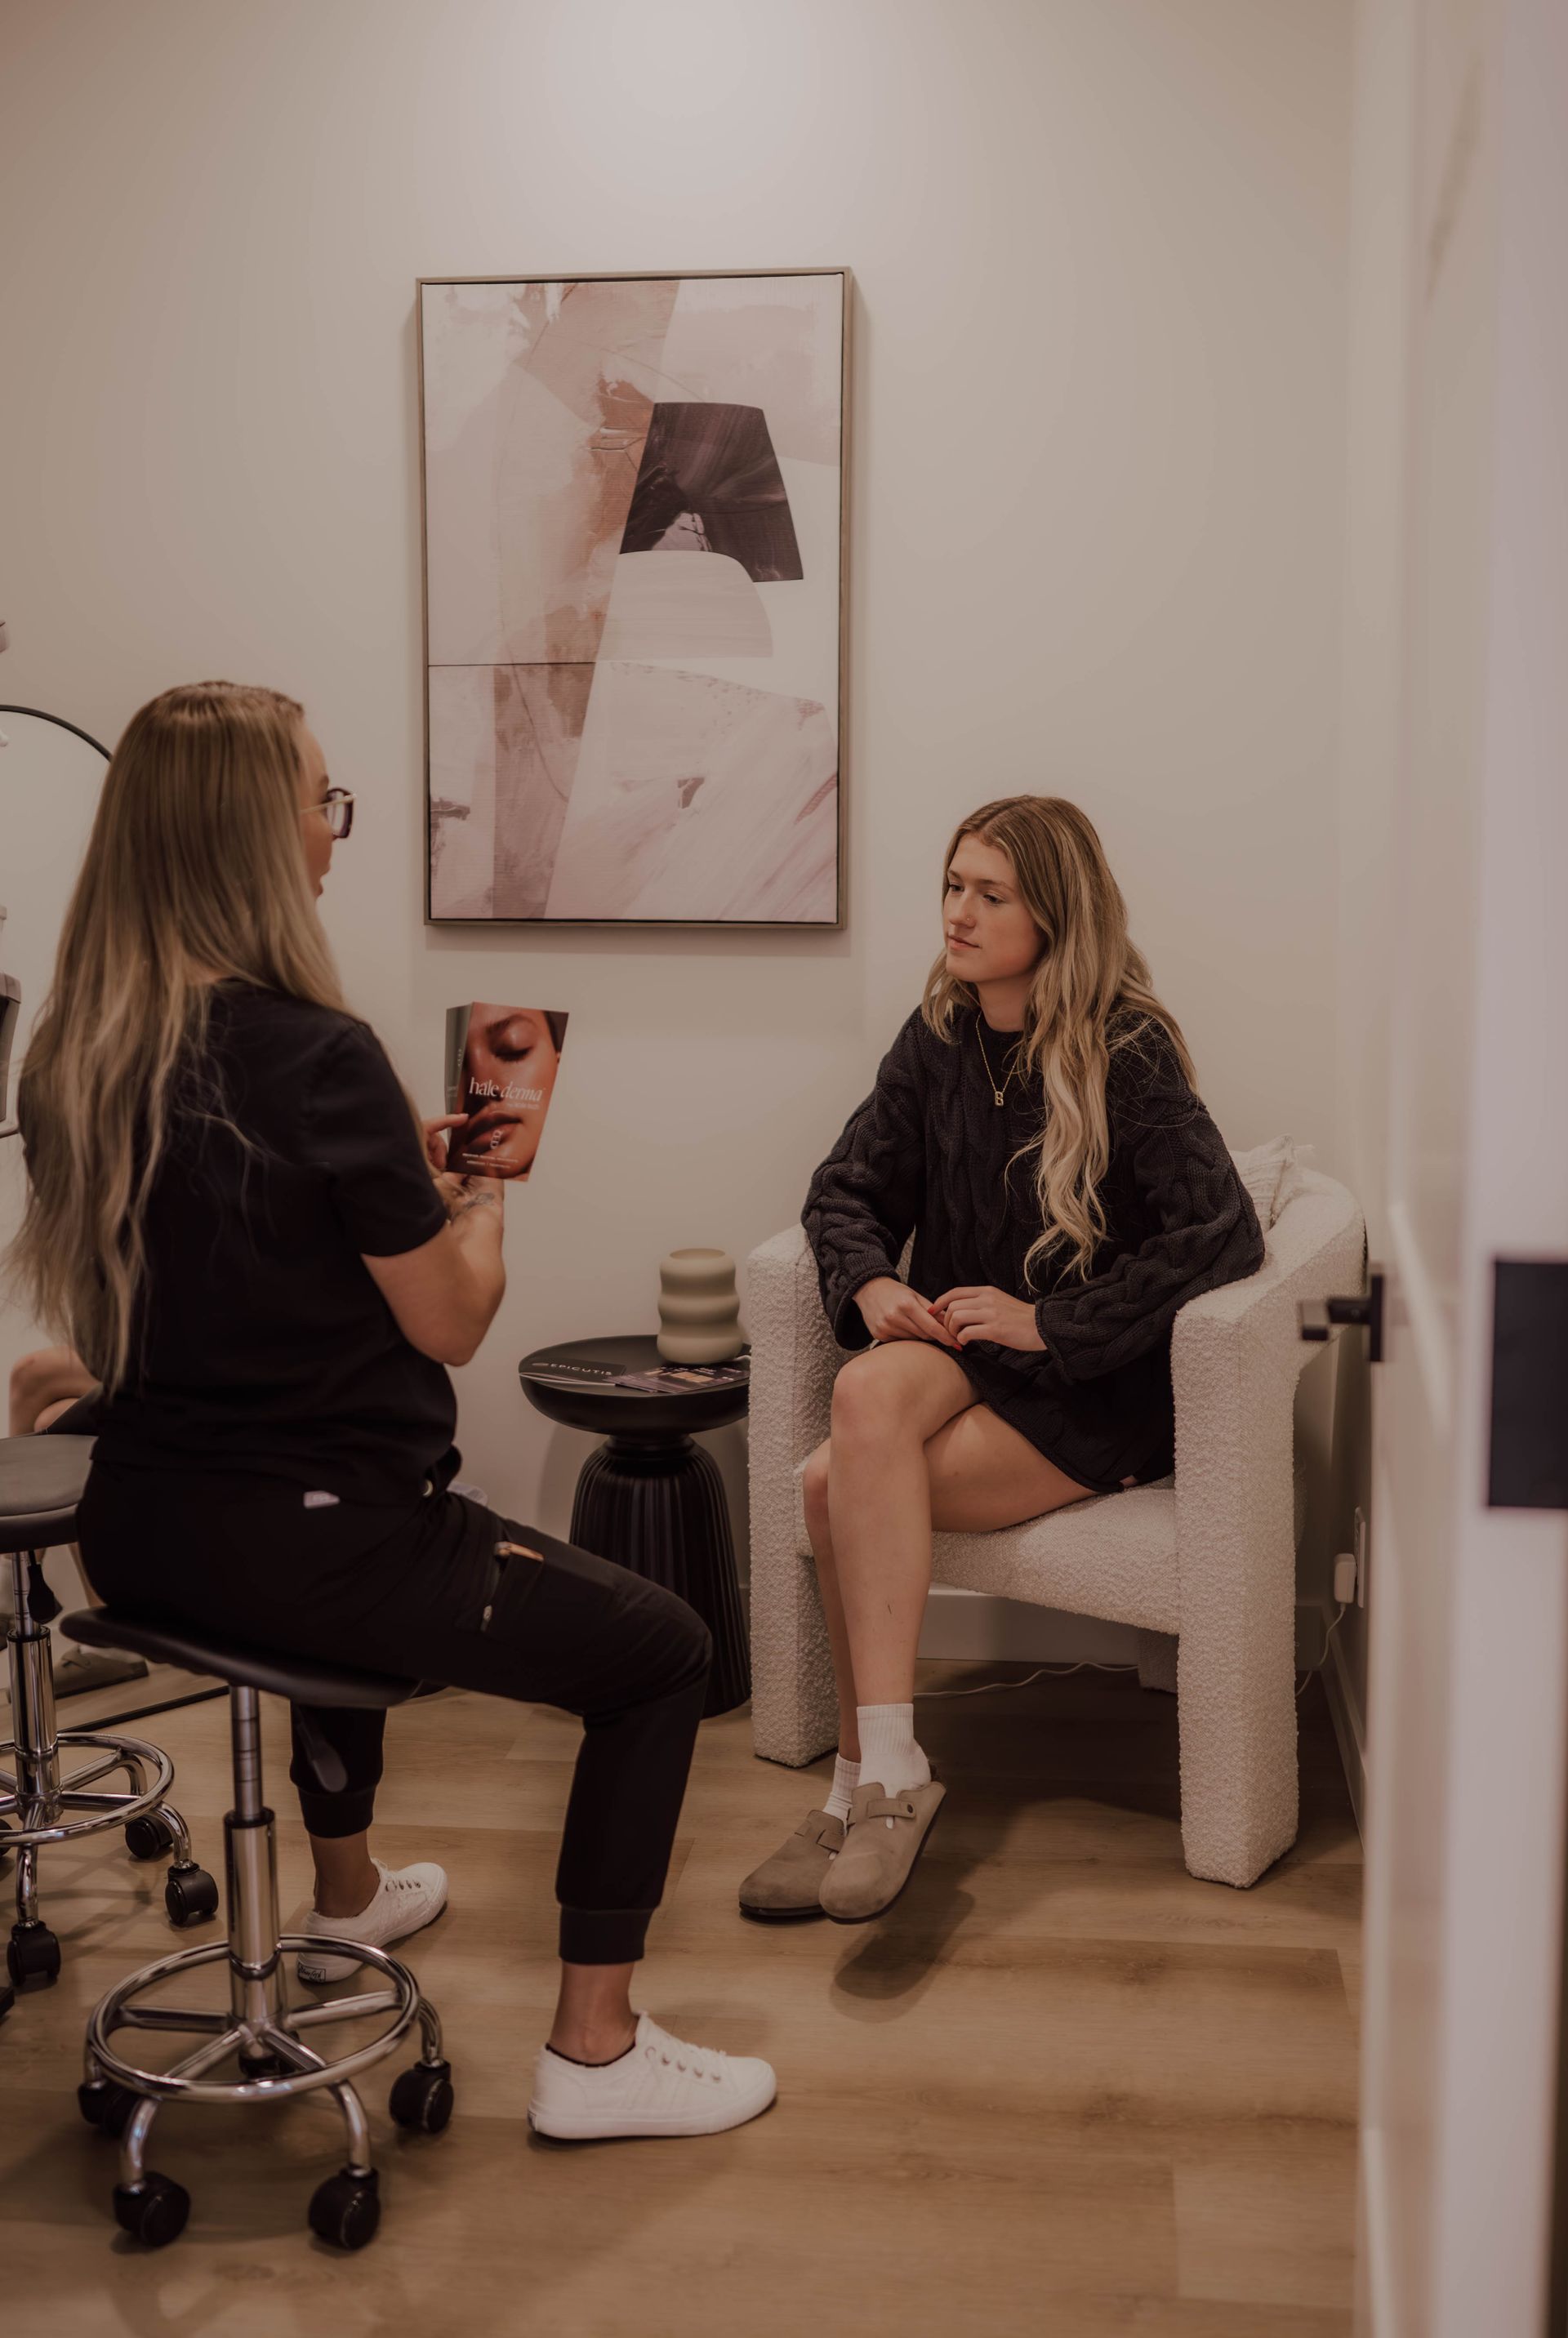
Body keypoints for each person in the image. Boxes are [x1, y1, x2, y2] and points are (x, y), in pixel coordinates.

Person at [8, 681, 774, 2139]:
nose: (334, 829)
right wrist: (477, 1200)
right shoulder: (315, 1052)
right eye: (320, 798)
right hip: (323, 1544)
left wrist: (380, 1178)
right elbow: (452, 1318)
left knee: (327, 1571)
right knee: (660, 1654)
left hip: (145, 1532)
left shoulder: (77, 1056)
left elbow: (224, 1271)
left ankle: (348, 1895)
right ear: (250, 834)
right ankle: (597, 2055)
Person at [738, 795, 1266, 1926]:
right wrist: (874, 1283)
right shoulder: (935, 1040)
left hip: (1091, 1387)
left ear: (1053, 914)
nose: (959, 914)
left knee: (837, 1485)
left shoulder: (1128, 1049)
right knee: (863, 1383)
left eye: (992, 894)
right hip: (963, 1352)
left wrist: (1052, 1323)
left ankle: (854, 1786)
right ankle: (891, 1775)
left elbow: (1222, 1235)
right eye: (952, 885)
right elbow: (845, 1190)